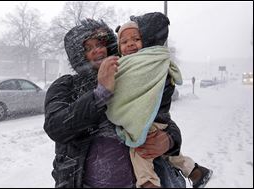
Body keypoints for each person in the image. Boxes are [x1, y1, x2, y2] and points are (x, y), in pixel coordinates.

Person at [43, 18, 184, 188]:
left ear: (110, 46)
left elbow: (159, 118)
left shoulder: (130, 77)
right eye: (88, 48)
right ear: (78, 56)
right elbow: (56, 127)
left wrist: (169, 140)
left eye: (100, 44)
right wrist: (100, 94)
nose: (97, 51)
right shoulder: (66, 85)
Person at [107, 12, 213, 188]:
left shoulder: (148, 61)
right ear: (118, 47)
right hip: (157, 121)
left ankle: (148, 183)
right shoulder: (122, 65)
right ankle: (195, 171)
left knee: (140, 152)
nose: (130, 44)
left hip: (149, 121)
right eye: (124, 42)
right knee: (169, 155)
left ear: (146, 41)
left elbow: (136, 91)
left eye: (136, 39)